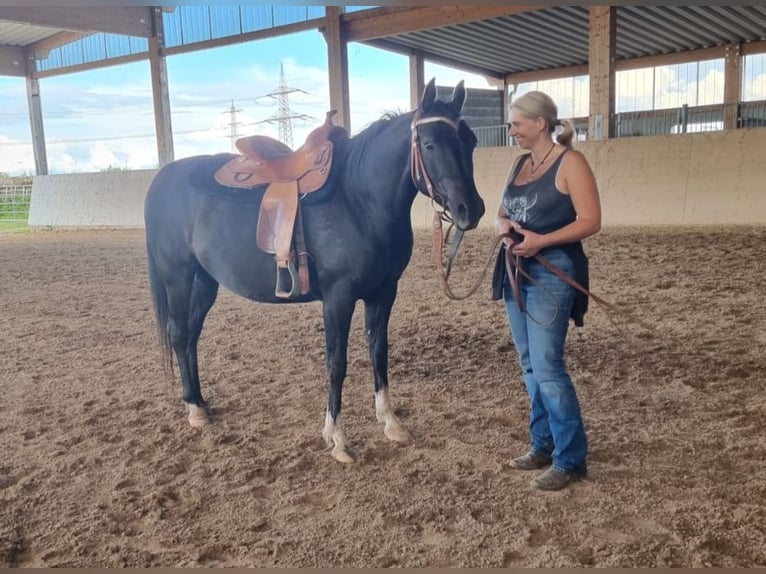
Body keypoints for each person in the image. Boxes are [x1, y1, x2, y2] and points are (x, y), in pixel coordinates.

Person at [493, 90, 601, 491]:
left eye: (517, 123)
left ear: (541, 124)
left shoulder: (571, 162)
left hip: (552, 271)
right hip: (516, 272)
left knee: (548, 367)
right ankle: (542, 443)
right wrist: (504, 229)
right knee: (529, 364)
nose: (512, 130)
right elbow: (502, 213)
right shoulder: (520, 164)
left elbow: (591, 220)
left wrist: (541, 240)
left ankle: (570, 458)